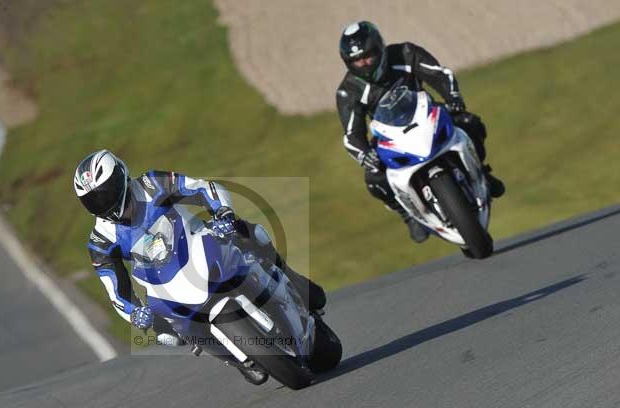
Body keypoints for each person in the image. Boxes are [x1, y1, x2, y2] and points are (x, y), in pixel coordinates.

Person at [75, 149, 326, 382]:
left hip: (198, 242)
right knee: (167, 335)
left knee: (250, 234)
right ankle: (236, 358)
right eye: (93, 200)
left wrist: (222, 212)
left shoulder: (151, 184)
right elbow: (114, 290)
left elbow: (202, 187)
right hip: (163, 283)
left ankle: (293, 278)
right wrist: (134, 313)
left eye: (105, 193)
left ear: (121, 177)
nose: (103, 203)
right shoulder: (100, 240)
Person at [336, 20, 505, 243]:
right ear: (348, 63)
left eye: (368, 56)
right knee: (374, 178)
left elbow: (440, 74)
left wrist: (453, 97)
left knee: (470, 123)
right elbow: (351, 134)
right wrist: (364, 154)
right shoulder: (348, 92)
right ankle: (407, 214)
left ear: (380, 49)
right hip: (389, 136)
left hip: (428, 114)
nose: (364, 64)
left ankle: (481, 171)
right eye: (356, 61)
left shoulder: (405, 54)